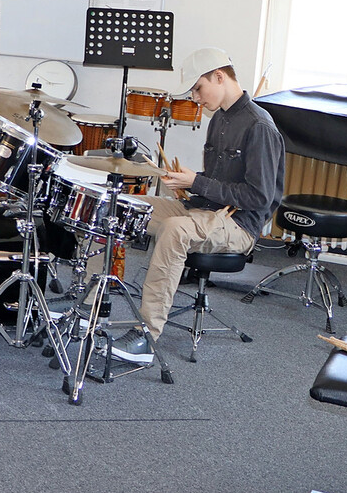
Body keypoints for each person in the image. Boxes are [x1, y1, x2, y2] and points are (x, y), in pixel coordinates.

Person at [111, 47, 285, 363]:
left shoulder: (260, 126)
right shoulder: (218, 119)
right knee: (122, 204)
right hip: (204, 211)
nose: (194, 97)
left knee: (175, 230)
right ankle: (88, 305)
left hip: (239, 225)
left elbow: (259, 198)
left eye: (197, 88)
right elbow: (218, 182)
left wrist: (197, 182)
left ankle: (146, 336)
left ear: (219, 77)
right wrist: (186, 183)